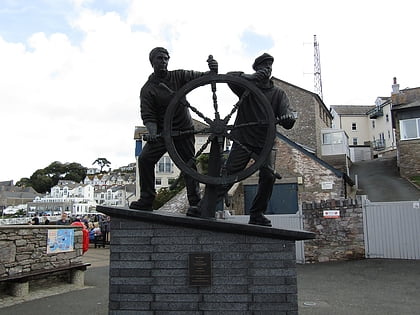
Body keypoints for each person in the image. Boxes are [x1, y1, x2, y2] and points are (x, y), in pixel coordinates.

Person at [129, 47, 218, 215]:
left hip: (184, 130)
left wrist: (212, 70)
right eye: (159, 58)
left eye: (165, 58)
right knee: (145, 160)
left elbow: (202, 78)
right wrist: (153, 132)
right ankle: (147, 199)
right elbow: (148, 115)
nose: (163, 61)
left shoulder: (179, 76)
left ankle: (195, 203)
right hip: (163, 133)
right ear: (152, 62)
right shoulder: (148, 89)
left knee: (189, 165)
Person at [223, 53, 296, 227]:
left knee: (268, 176)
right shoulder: (246, 86)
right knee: (230, 173)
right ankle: (207, 205)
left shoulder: (278, 93)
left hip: (265, 142)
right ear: (256, 70)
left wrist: (288, 118)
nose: (267, 70)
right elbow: (228, 77)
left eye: (269, 67)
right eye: (263, 67)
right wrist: (250, 78)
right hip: (243, 139)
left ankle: (257, 213)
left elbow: (288, 119)